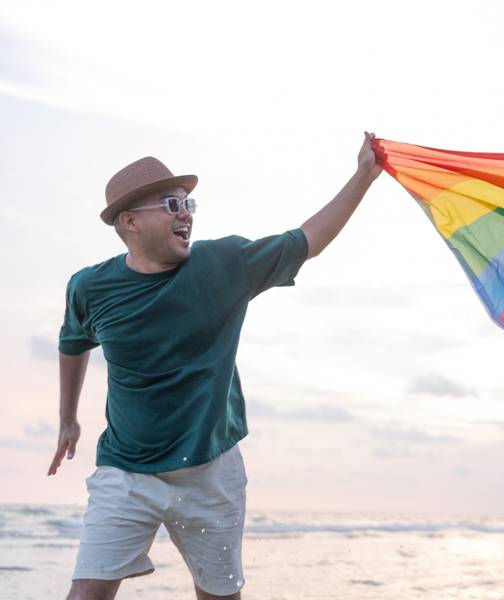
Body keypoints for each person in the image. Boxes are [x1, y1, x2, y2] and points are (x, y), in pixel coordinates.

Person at [48, 133, 382, 600]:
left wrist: (363, 176)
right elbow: (72, 341)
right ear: (130, 222)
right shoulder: (90, 287)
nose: (185, 213)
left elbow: (308, 240)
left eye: (188, 203)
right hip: (125, 471)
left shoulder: (225, 263)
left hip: (210, 470)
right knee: (86, 594)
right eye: (170, 204)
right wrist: (68, 417)